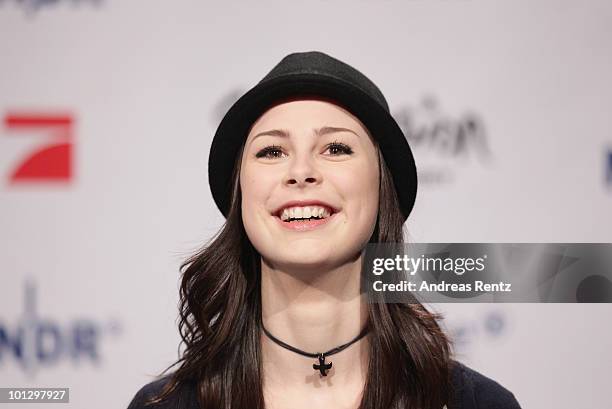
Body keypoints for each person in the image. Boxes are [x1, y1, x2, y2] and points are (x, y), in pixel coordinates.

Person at [127, 51, 521, 409]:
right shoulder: (165, 405)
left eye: (336, 148)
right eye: (272, 151)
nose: (300, 172)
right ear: (241, 193)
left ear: (384, 187)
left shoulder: (476, 403)